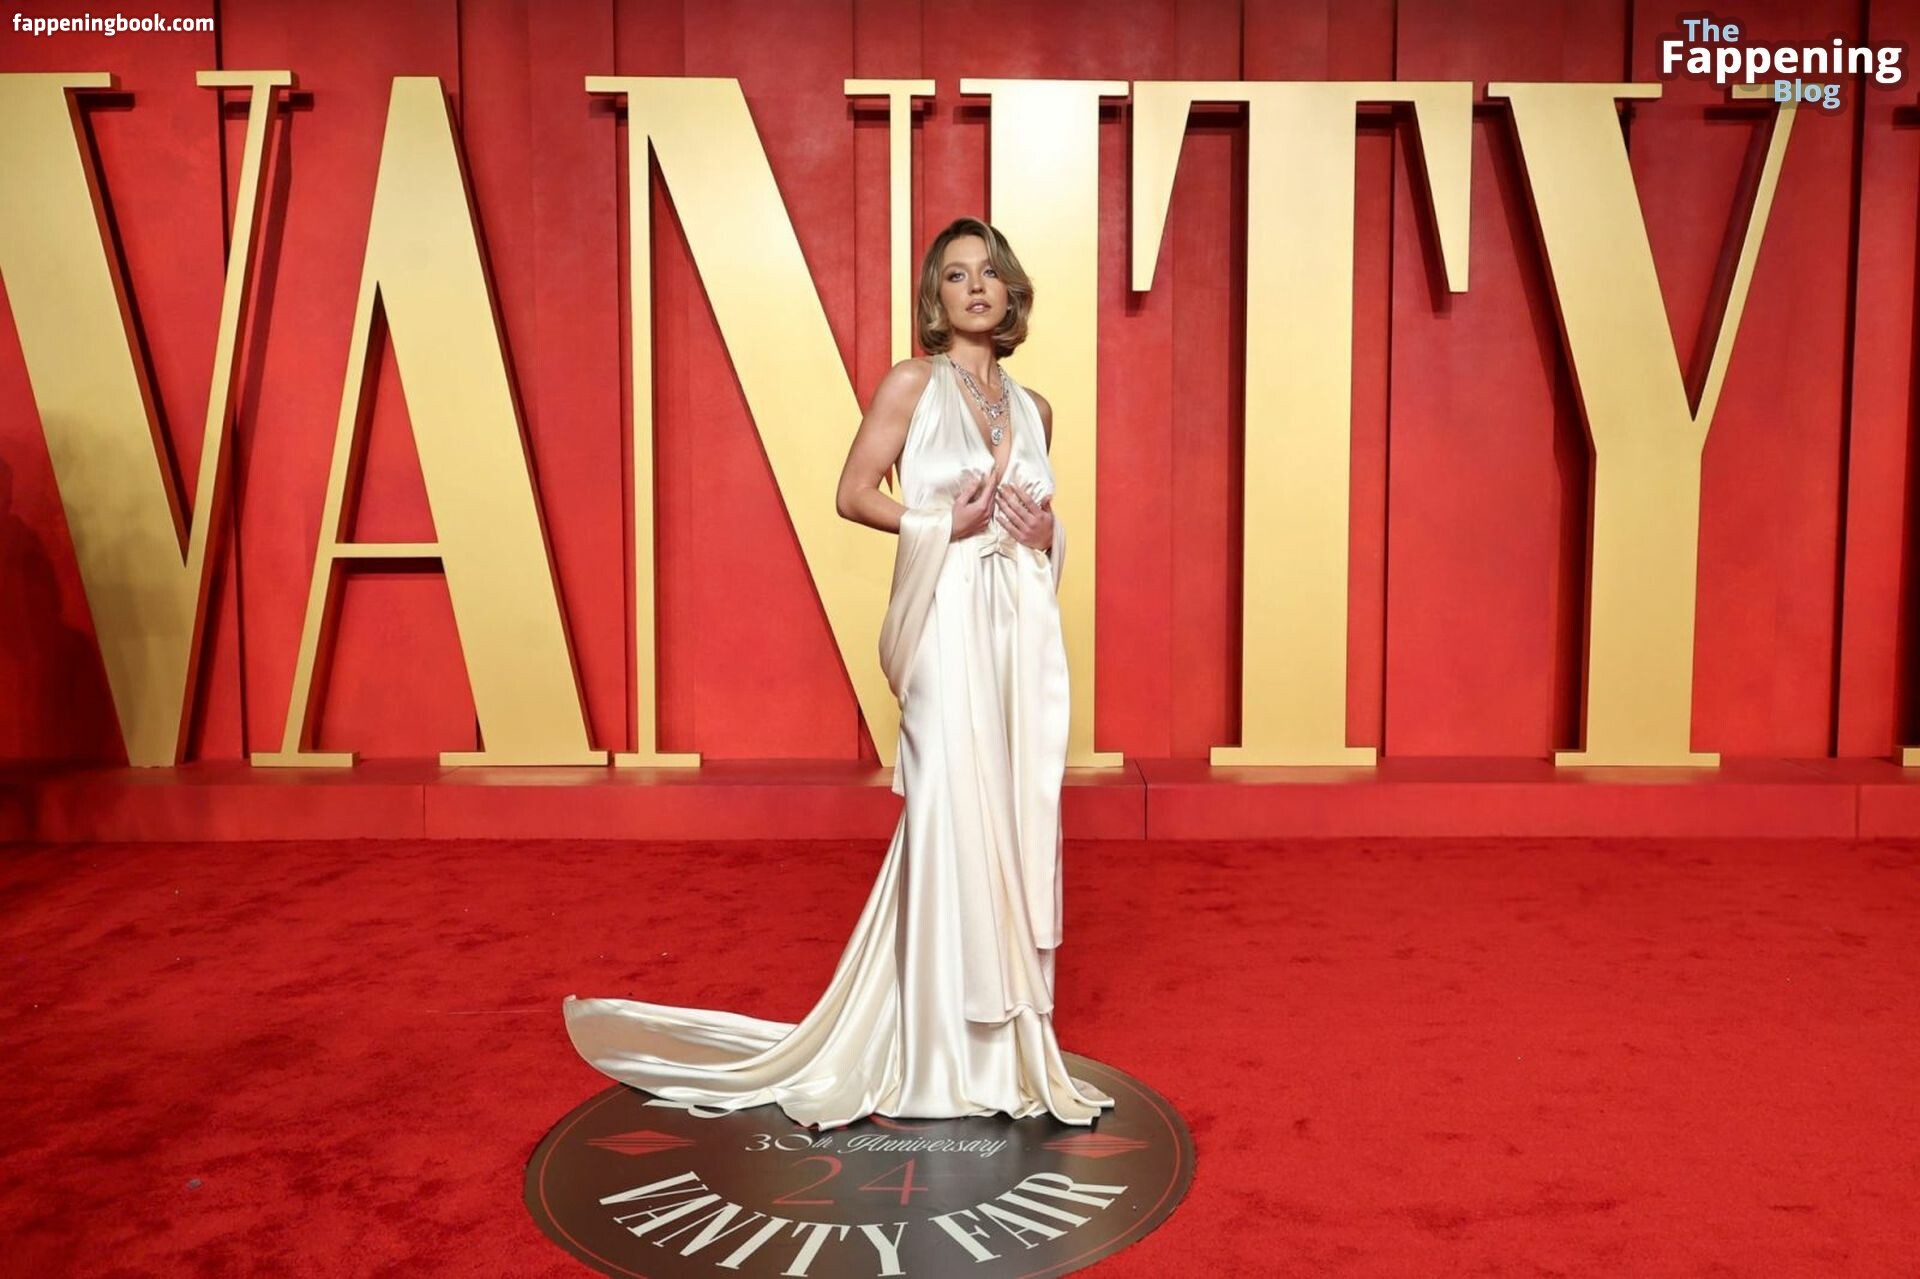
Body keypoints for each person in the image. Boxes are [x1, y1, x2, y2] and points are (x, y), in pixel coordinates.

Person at [562, 216, 1114, 1131]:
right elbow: (853, 493)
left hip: (1017, 633)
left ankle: (1001, 1047)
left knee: (1012, 814)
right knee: (949, 810)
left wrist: (1047, 533)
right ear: (936, 296)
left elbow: (1040, 525)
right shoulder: (911, 384)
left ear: (1012, 291)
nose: (976, 287)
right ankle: (935, 1050)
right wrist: (942, 523)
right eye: (956, 275)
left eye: (989, 273)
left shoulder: (1036, 409)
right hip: (943, 621)